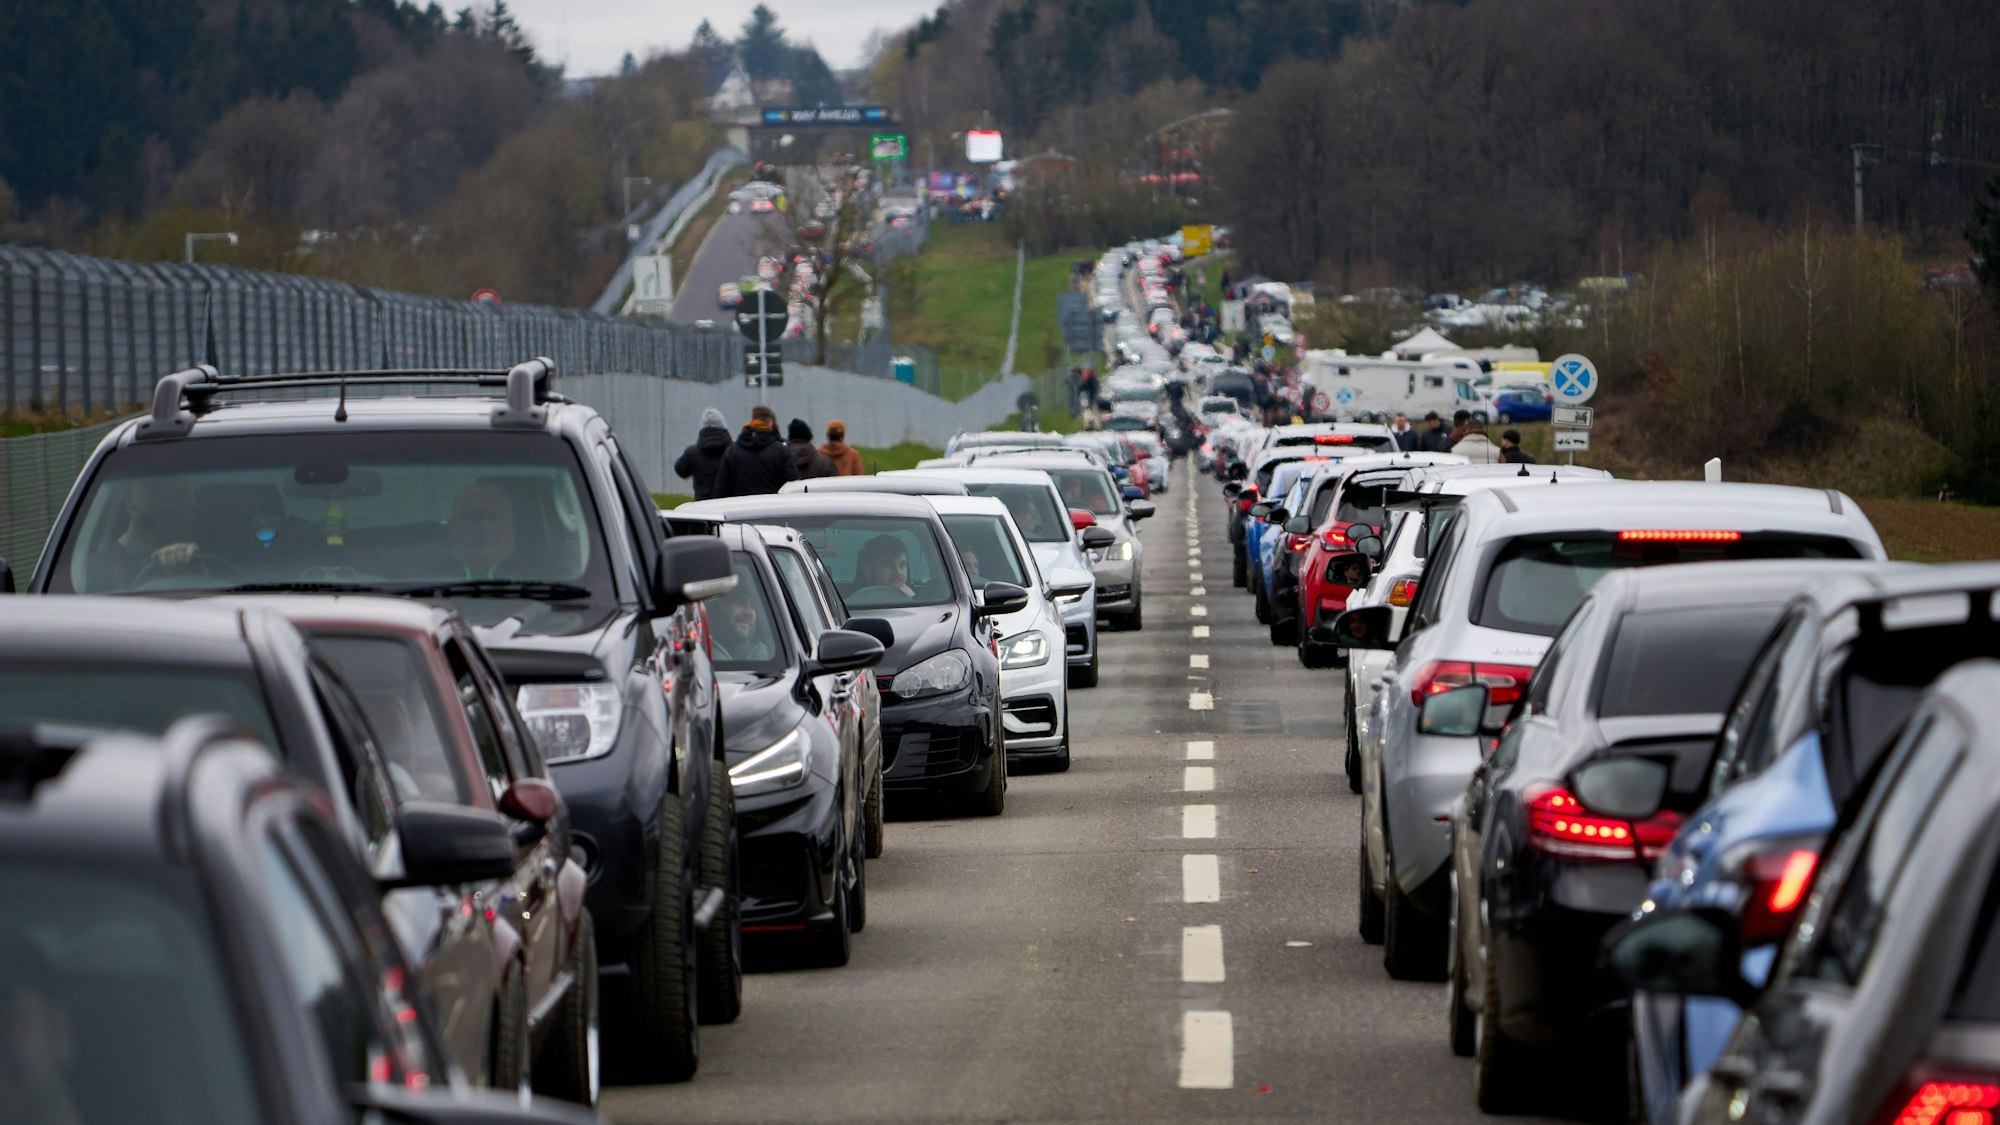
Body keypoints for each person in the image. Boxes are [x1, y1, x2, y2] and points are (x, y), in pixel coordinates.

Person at [90, 476, 201, 589]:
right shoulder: (104, 566)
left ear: (194, 505)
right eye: (157, 497)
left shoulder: (209, 553)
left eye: (179, 497)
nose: (169, 506)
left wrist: (191, 559)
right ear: (131, 506)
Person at [713, 404, 800, 497]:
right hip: (773, 508)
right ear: (770, 424)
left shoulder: (731, 452)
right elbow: (794, 487)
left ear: (752, 421)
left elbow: (721, 490)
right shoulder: (781, 451)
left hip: (741, 509)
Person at [448, 479, 517, 578]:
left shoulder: (537, 576)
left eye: (494, 518)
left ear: (512, 531)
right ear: (453, 528)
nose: (484, 527)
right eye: (473, 517)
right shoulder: (425, 575)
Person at [673, 408, 732, 500]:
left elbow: (681, 471)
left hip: (703, 505)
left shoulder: (692, 453)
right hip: (729, 503)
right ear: (723, 425)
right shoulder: (734, 451)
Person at [711, 587, 777, 664]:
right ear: (718, 607)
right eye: (740, 603)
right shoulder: (699, 648)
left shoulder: (763, 656)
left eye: (753, 606)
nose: (750, 613)